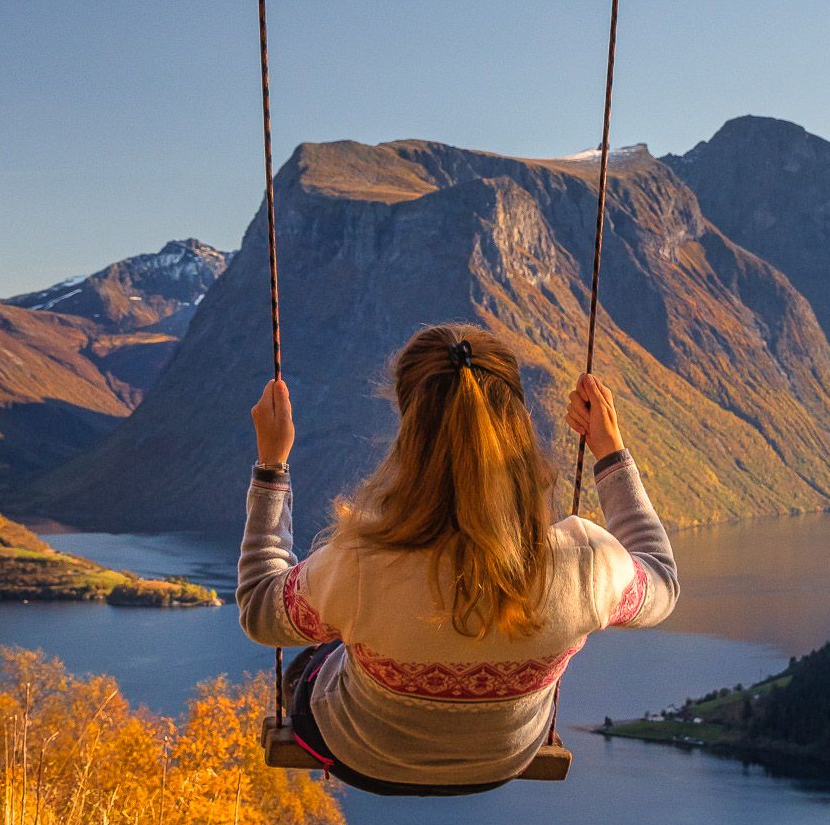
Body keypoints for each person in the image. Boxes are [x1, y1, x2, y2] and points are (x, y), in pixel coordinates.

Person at [237, 323, 678, 795]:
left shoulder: (361, 564)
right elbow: (660, 580)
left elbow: (262, 611)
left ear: (409, 428)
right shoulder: (585, 562)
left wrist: (272, 465)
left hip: (362, 754)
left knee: (317, 658)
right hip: (506, 756)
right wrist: (610, 454)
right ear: (517, 422)